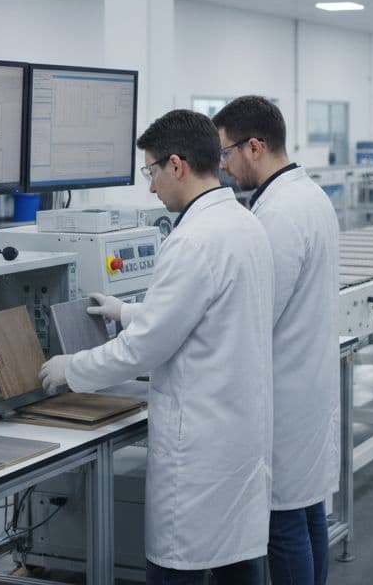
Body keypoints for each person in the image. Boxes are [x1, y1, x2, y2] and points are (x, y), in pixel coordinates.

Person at [39, 109, 274, 585]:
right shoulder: (243, 224)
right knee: (239, 566)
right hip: (239, 437)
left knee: (178, 569)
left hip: (200, 450)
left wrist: (71, 369)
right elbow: (205, 318)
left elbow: (140, 353)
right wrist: (125, 312)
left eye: (151, 172)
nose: (151, 187)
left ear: (176, 165)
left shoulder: (191, 242)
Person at [213, 96, 339, 585]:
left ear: (255, 146)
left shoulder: (279, 214)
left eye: (226, 153)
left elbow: (256, 311)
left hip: (286, 394)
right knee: (308, 514)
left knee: (284, 523)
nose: (223, 166)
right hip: (307, 386)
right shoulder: (308, 197)